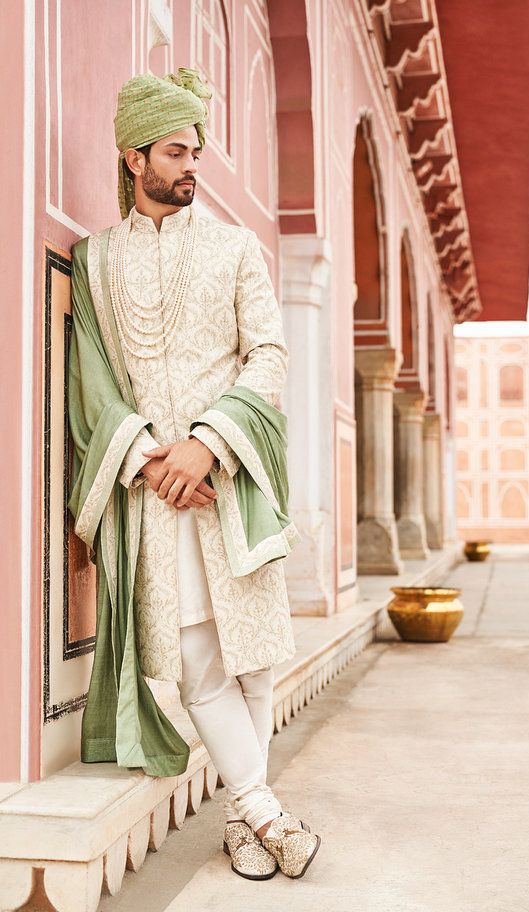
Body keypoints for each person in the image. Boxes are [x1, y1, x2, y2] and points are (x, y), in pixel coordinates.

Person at [67, 67, 320, 881]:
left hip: (232, 478)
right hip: (157, 493)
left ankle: (246, 823)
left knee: (255, 657)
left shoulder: (235, 247)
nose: (190, 166)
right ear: (133, 156)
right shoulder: (95, 261)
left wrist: (208, 442)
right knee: (201, 659)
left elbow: (270, 354)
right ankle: (268, 813)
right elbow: (93, 383)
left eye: (196, 151)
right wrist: (152, 459)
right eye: (175, 151)